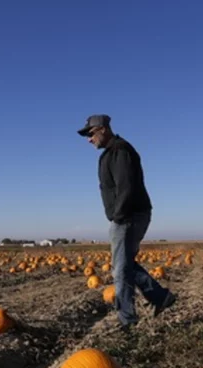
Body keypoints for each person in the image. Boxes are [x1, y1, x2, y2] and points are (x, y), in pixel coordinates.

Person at [77, 114, 176, 329]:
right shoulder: (112, 152)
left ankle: (127, 321)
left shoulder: (120, 151)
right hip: (129, 214)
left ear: (102, 129)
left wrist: (118, 216)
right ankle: (161, 297)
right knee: (126, 263)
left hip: (129, 216)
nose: (88, 139)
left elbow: (126, 186)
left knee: (120, 268)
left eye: (90, 134)